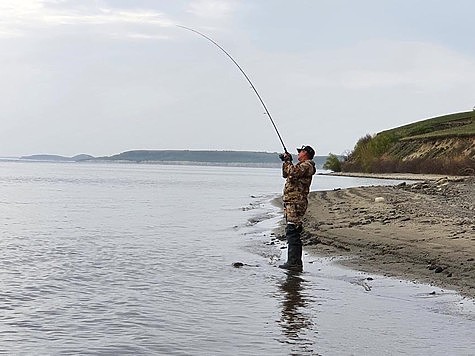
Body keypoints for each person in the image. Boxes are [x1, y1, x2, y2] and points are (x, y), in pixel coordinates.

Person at [278, 145, 316, 271]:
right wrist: (286, 161)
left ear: (305, 153)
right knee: (292, 229)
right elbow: (286, 173)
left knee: (292, 230)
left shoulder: (307, 165)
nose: (298, 154)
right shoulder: (300, 166)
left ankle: (294, 263)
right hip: (291, 202)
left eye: (300, 152)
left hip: (296, 202)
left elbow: (293, 171)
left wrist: (288, 161)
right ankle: (294, 262)